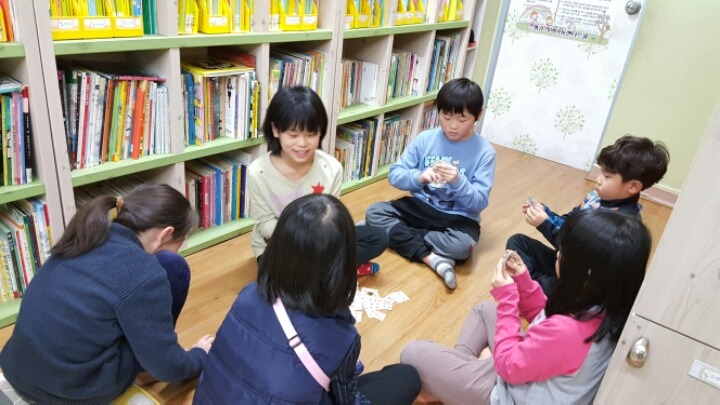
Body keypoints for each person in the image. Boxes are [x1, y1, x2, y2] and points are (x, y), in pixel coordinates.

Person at [401, 209, 651, 404]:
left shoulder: (568, 329)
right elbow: (544, 319)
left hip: (509, 392)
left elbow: (509, 366)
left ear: (586, 273)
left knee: (413, 352)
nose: (557, 254)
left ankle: (451, 385)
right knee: (484, 310)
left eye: (564, 251)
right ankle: (458, 379)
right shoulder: (603, 305)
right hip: (529, 372)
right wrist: (524, 282)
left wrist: (508, 300)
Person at [194, 194, 421, 404]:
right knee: (406, 377)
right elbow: (347, 400)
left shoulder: (248, 293)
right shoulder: (343, 338)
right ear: (343, 263)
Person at [0, 184, 214, 403]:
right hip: (70, 393)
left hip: (17, 369)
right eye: (181, 242)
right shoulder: (145, 274)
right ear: (166, 234)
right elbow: (168, 368)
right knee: (176, 268)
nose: (180, 248)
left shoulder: (86, 233)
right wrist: (199, 356)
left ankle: (152, 353)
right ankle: (145, 369)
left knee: (168, 265)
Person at [365, 78, 496, 289]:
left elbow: (479, 203)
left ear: (478, 115)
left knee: (462, 248)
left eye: (462, 119)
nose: (453, 125)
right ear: (438, 112)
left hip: (458, 217)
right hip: (420, 207)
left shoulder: (485, 152)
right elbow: (395, 174)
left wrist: (457, 181)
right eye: (446, 116)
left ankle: (398, 232)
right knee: (375, 211)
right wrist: (420, 177)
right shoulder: (425, 139)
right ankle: (432, 259)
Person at [248, 85, 387, 276]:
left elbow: (331, 215)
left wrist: (323, 238)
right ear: (276, 130)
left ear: (320, 132)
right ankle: (335, 272)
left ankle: (323, 272)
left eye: (311, 134)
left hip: (321, 239)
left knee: (378, 237)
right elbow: (264, 224)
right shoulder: (258, 172)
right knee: (276, 276)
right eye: (293, 135)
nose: (302, 143)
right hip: (278, 243)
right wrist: (306, 239)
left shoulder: (332, 168)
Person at [507, 135, 669, 294]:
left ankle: (535, 289)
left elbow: (575, 251)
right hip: (564, 265)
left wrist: (544, 224)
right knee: (518, 242)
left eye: (607, 176)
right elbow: (569, 222)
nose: (598, 179)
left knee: (536, 280)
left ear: (633, 186)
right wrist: (546, 214)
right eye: (600, 171)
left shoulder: (620, 224)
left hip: (581, 283)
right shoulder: (596, 197)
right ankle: (535, 286)